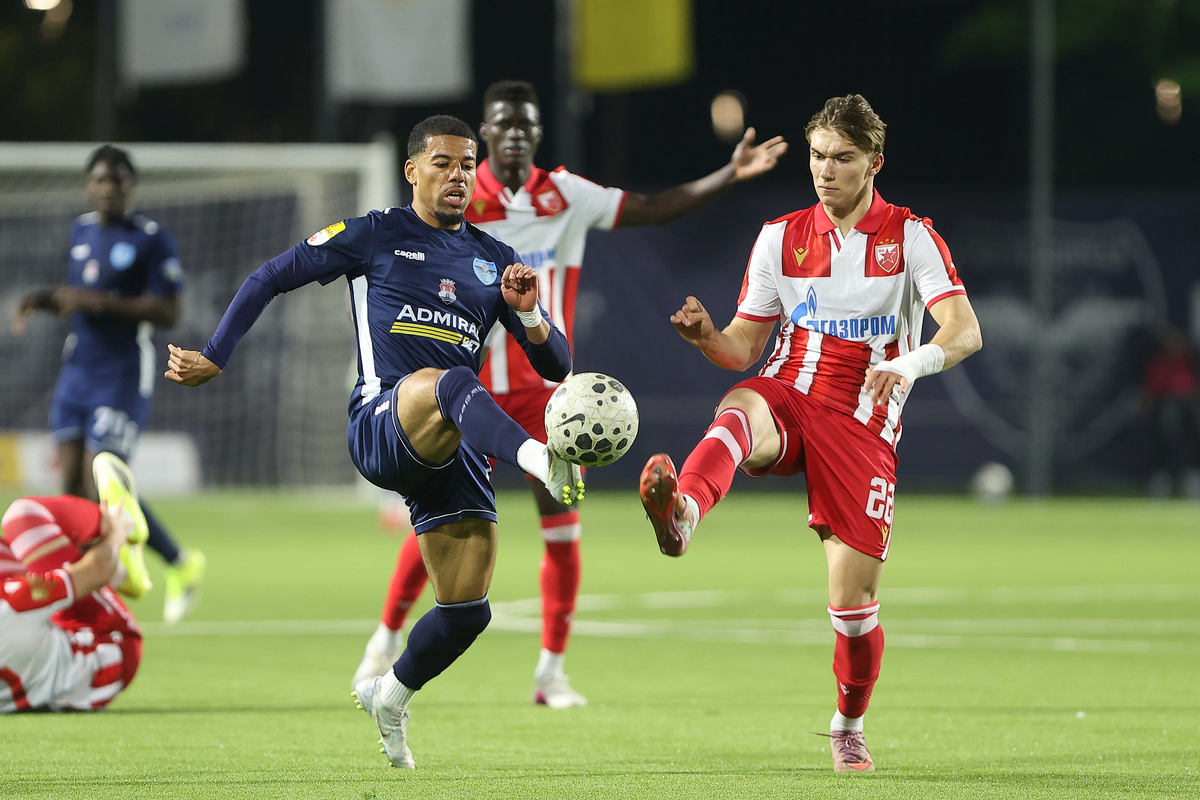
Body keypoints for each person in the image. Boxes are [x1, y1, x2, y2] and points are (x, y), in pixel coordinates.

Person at [353, 80, 790, 709]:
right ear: (486, 128)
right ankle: (384, 640)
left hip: (542, 396)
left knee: (562, 530)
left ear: (536, 132)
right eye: (502, 124)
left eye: (526, 125)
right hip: (468, 389)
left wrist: (729, 173)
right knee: (442, 525)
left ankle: (550, 673)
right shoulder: (455, 194)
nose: (514, 134)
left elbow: (655, 206)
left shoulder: (565, 195)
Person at [164, 115, 583, 768]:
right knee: (450, 381)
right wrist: (217, 354)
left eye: (468, 164)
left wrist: (528, 311)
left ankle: (390, 694)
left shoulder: (497, 260)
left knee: (468, 611)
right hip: (383, 419)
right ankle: (539, 458)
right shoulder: (375, 234)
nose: (458, 175)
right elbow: (270, 275)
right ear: (413, 170)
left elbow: (557, 364)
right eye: (443, 163)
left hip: (453, 445)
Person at [637, 95, 982, 773]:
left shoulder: (910, 238)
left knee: (852, 610)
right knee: (740, 404)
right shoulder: (780, 236)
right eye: (817, 157)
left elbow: (964, 330)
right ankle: (682, 515)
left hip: (863, 423)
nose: (825, 171)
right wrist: (706, 335)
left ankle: (848, 722)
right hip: (792, 389)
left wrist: (907, 365)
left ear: (874, 162)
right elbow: (743, 347)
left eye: (842, 158)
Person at [11, 144, 206, 624]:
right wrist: (42, 300)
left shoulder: (150, 238)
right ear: (88, 184)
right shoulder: (80, 230)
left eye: (116, 180)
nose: (107, 188)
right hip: (77, 370)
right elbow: (77, 296)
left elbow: (168, 311)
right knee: (73, 485)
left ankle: (160, 565)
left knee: (107, 475)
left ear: (129, 186)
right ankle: (91, 590)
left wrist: (98, 301)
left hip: (121, 371)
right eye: (99, 179)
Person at [1, 454, 145, 713]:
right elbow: (97, 570)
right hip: (110, 645)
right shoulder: (12, 605)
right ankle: (118, 525)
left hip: (52, 676)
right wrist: (113, 539)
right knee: (22, 517)